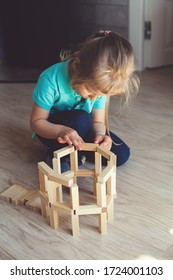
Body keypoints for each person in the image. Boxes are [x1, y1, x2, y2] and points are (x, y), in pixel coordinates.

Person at [30, 30, 139, 170]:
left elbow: (97, 121)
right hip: (53, 132)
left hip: (81, 128)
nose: (95, 98)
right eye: (91, 93)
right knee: (80, 118)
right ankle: (57, 153)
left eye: (99, 95)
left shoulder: (98, 87)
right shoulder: (50, 79)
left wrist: (100, 135)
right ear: (77, 66)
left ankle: (77, 149)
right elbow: (36, 123)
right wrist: (60, 131)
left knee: (121, 154)